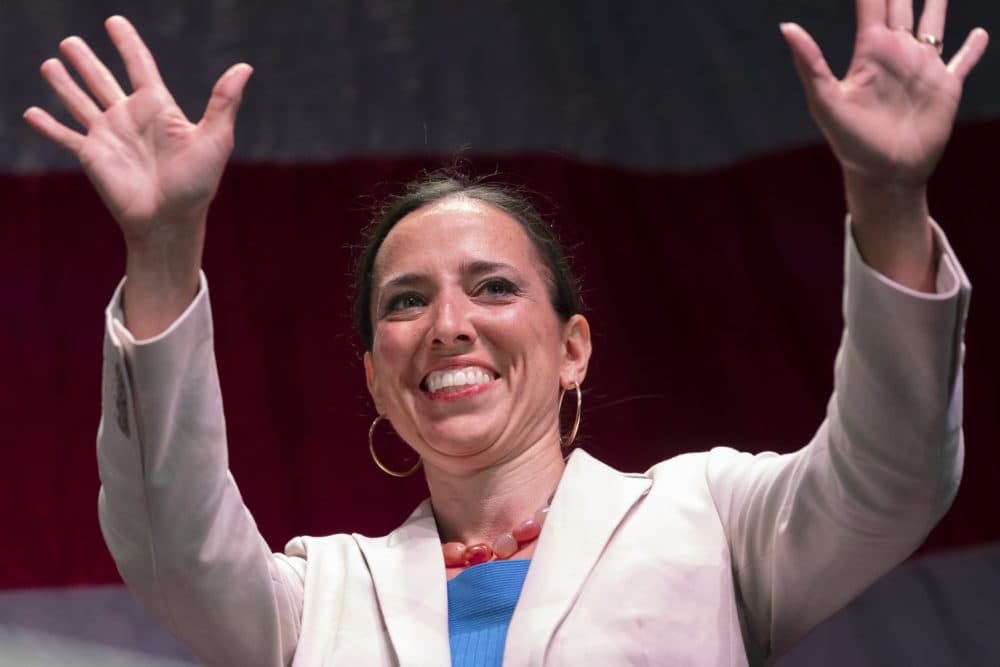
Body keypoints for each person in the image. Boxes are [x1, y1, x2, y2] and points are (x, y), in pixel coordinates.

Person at [23, 1, 987, 665]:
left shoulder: (714, 519)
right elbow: (167, 530)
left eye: (491, 286)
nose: (448, 326)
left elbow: (894, 471)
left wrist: (890, 197)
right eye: (404, 301)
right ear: (372, 376)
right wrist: (162, 245)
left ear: (574, 346)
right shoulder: (315, 597)